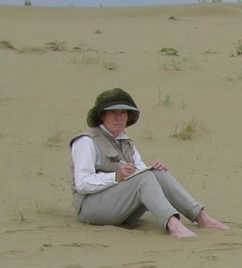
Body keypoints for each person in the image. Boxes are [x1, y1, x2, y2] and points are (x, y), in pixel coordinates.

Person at [70, 88, 228, 238]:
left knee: (156, 173)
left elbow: (140, 173)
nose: (119, 117)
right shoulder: (86, 141)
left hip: (120, 209)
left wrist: (152, 169)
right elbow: (82, 184)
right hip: (90, 209)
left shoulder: (126, 142)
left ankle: (201, 217)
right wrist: (115, 176)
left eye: (123, 113)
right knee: (145, 178)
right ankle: (173, 225)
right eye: (112, 112)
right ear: (102, 116)